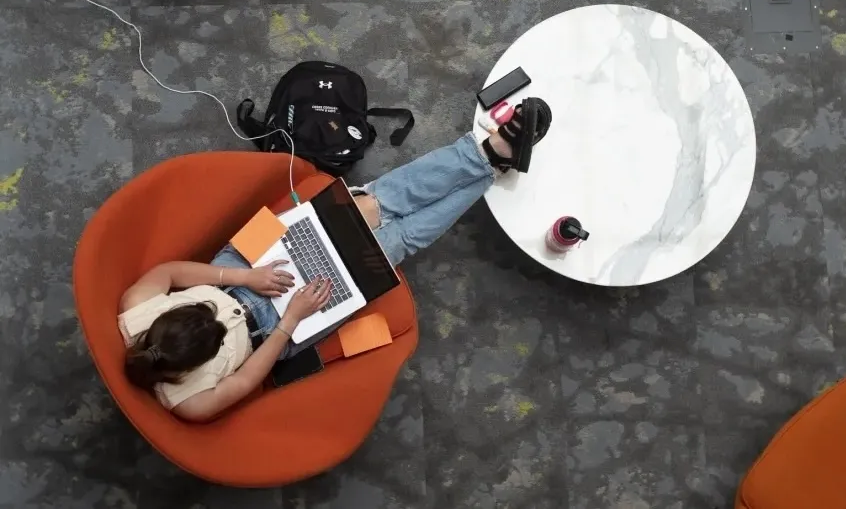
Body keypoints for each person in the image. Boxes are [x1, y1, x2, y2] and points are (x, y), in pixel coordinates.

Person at [118, 98, 551, 421]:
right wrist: (292, 318)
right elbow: (249, 379)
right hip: (275, 329)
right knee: (388, 246)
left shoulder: (136, 314)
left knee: (368, 207)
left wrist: (244, 276)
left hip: (241, 266)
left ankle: (489, 155)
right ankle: (493, 161)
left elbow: (169, 272)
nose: (221, 317)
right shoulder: (191, 405)